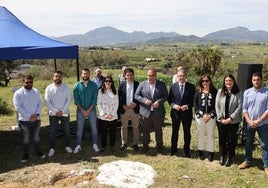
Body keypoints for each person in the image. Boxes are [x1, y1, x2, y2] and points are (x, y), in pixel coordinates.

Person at [238, 72, 268, 175]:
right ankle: (248, 161)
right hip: (249, 123)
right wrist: (249, 120)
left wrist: (259, 120)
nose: (256, 82)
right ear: (252, 81)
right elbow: (244, 108)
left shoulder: (267, 92)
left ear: (261, 80)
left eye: (258, 79)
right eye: (254, 80)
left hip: (263, 124)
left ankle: (266, 165)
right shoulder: (247, 92)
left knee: (264, 145)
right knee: (248, 143)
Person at [135, 67, 168, 154]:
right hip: (145, 112)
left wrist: (159, 101)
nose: (151, 77)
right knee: (145, 130)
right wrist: (144, 100)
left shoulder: (162, 84)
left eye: (153, 75)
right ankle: (145, 147)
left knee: (158, 130)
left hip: (158, 112)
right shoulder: (142, 84)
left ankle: (160, 147)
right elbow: (136, 95)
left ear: (156, 75)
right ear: (147, 76)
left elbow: (165, 96)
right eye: (149, 75)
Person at [13, 75, 45, 162]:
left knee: (36, 137)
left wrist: (37, 115)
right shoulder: (18, 93)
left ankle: (38, 151)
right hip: (24, 121)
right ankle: (25, 154)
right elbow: (18, 107)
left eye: (31, 82)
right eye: (27, 82)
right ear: (23, 82)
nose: (29, 84)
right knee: (26, 138)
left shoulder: (36, 91)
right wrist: (29, 116)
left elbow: (40, 104)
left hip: (37, 119)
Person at [215, 74, 243, 167]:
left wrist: (230, 118)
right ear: (224, 82)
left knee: (232, 139)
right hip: (221, 121)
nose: (228, 82)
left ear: (233, 82)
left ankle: (230, 157)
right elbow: (217, 105)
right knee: (222, 138)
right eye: (226, 81)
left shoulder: (239, 93)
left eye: (230, 80)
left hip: (233, 121)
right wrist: (221, 118)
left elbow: (239, 107)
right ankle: (222, 155)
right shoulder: (220, 92)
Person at [167, 69, 195, 157]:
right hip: (175, 113)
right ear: (177, 77)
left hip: (186, 113)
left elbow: (193, 101)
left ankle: (187, 150)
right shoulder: (173, 86)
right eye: (179, 76)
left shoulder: (191, 87)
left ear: (185, 77)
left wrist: (186, 106)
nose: (181, 78)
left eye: (183, 76)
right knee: (175, 131)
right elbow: (169, 99)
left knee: (187, 132)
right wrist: (174, 105)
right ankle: (173, 149)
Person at [45, 70, 73, 157]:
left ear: (62, 77)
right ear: (53, 77)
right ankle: (52, 148)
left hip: (64, 113)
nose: (57, 78)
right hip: (53, 114)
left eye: (59, 76)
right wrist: (55, 111)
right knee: (52, 131)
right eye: (56, 76)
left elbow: (69, 100)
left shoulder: (66, 88)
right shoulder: (49, 88)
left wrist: (62, 111)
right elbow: (47, 101)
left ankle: (68, 146)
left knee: (67, 131)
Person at [73, 68, 100, 153]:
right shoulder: (77, 85)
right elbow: (76, 99)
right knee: (79, 128)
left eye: (87, 73)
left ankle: (95, 144)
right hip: (80, 109)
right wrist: (82, 110)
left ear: (89, 74)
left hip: (91, 109)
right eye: (84, 73)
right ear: (82, 74)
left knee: (94, 128)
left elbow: (94, 99)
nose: (85, 75)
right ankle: (78, 145)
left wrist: (88, 110)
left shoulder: (94, 85)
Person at [194, 74, 217, 162]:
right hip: (200, 117)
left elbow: (217, 105)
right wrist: (202, 115)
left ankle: (211, 152)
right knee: (201, 134)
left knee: (211, 134)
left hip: (211, 117)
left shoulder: (214, 92)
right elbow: (195, 105)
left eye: (207, 81)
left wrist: (210, 115)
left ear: (210, 81)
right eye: (203, 81)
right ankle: (200, 151)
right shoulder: (197, 92)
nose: (205, 83)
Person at [118, 68, 140, 152]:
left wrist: (136, 103)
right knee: (124, 127)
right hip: (125, 109)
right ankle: (124, 143)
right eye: (127, 75)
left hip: (134, 109)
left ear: (133, 75)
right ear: (125, 76)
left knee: (135, 127)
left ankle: (135, 144)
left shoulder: (138, 84)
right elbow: (119, 98)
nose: (129, 76)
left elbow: (140, 96)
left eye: (131, 75)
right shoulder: (122, 85)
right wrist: (122, 105)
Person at [97, 75, 119, 152]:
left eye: (109, 81)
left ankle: (112, 146)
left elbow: (117, 104)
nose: (108, 82)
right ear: (104, 82)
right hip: (103, 117)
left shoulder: (115, 92)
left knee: (113, 133)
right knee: (103, 133)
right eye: (106, 81)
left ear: (112, 83)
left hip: (112, 116)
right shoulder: (100, 91)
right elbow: (98, 104)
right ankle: (103, 146)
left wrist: (111, 114)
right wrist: (104, 114)